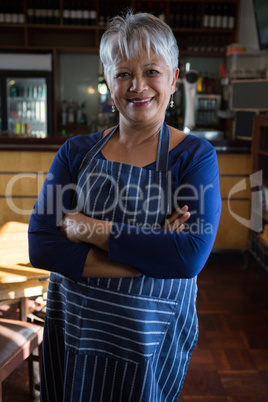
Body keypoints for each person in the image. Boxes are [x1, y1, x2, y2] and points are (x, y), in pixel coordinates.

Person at [28, 10, 221, 402]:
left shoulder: (195, 157)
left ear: (173, 77)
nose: (138, 86)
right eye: (122, 74)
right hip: (74, 331)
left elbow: (186, 258)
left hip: (146, 345)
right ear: (107, 80)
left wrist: (85, 229)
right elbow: (41, 245)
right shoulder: (75, 152)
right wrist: (150, 258)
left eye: (151, 71)